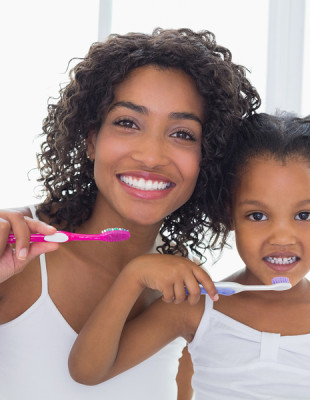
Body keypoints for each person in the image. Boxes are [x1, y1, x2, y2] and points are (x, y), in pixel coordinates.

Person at [0, 28, 261, 399]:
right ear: (91, 138)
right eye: (127, 123)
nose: (152, 156)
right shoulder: (14, 245)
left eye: (183, 134)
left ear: (208, 157)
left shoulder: (186, 298)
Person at [68, 95, 310, 400]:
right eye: (257, 215)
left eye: (304, 215)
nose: (282, 237)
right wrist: (134, 275)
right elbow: (87, 371)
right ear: (229, 212)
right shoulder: (197, 307)